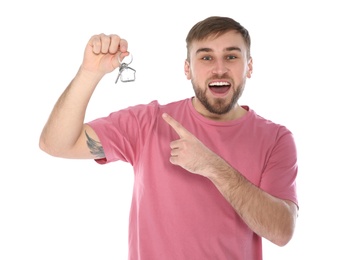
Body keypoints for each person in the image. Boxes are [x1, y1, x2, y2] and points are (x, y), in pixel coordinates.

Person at [39, 16, 299, 260]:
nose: (219, 69)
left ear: (249, 66)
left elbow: (282, 231)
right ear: (187, 68)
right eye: (206, 57)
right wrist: (89, 73)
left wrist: (212, 166)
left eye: (231, 56)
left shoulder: (275, 138)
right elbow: (56, 144)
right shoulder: (149, 122)